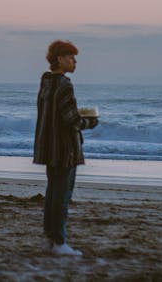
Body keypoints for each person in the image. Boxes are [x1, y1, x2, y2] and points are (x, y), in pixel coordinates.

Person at [33, 40, 98, 257]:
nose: (75, 61)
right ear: (59, 59)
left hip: (48, 147)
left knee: (52, 194)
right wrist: (90, 122)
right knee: (61, 197)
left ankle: (50, 240)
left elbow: (52, 115)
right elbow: (72, 120)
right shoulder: (64, 85)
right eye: (71, 57)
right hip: (64, 150)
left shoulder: (46, 82)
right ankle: (60, 242)